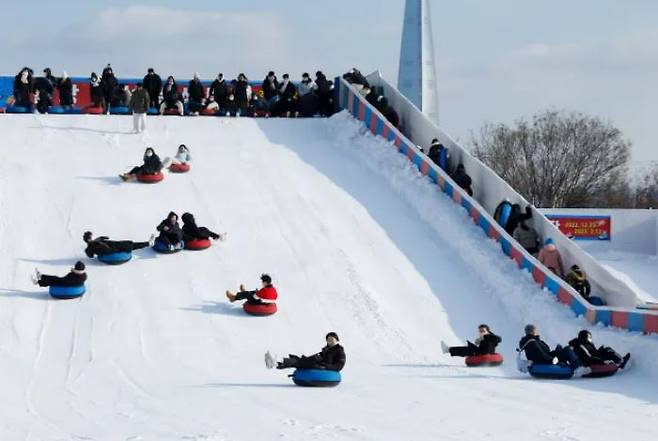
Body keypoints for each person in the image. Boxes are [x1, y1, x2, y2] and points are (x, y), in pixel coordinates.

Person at [518, 324, 589, 376]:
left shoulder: (534, 340)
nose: (538, 332)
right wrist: (553, 361)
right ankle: (579, 368)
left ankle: (580, 364)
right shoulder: (532, 342)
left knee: (563, 348)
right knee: (567, 350)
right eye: (536, 331)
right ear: (533, 331)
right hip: (547, 360)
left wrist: (557, 350)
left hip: (548, 357)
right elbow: (541, 355)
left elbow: (544, 352)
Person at [265, 332, 346, 372]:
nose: (330, 341)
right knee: (299, 360)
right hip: (319, 364)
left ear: (337, 340)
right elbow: (317, 356)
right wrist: (307, 358)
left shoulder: (339, 350)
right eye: (328, 340)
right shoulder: (326, 349)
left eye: (332, 339)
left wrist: (326, 367)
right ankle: (276, 362)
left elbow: (339, 366)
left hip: (324, 368)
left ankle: (276, 361)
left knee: (300, 362)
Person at [83, 231, 154, 258]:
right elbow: (107, 250)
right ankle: (148, 243)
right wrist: (118, 251)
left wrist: (102, 238)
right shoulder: (95, 245)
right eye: (91, 237)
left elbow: (91, 255)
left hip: (114, 244)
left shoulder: (94, 243)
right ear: (89, 239)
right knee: (131, 245)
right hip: (115, 247)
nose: (92, 237)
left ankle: (147, 243)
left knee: (129, 243)